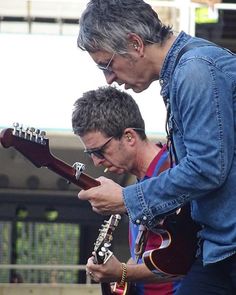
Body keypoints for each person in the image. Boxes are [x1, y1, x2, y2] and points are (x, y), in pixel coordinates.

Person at [76, 0, 236, 294]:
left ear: (135, 43)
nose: (109, 79)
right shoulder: (184, 73)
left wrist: (128, 198)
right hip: (217, 249)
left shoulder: (195, 72)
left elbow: (207, 169)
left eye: (107, 64)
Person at [72, 85, 181, 294]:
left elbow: (184, 262)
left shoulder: (174, 175)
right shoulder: (137, 188)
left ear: (129, 137)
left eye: (100, 150)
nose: (96, 161)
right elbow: (143, 254)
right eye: (90, 153)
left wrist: (121, 273)